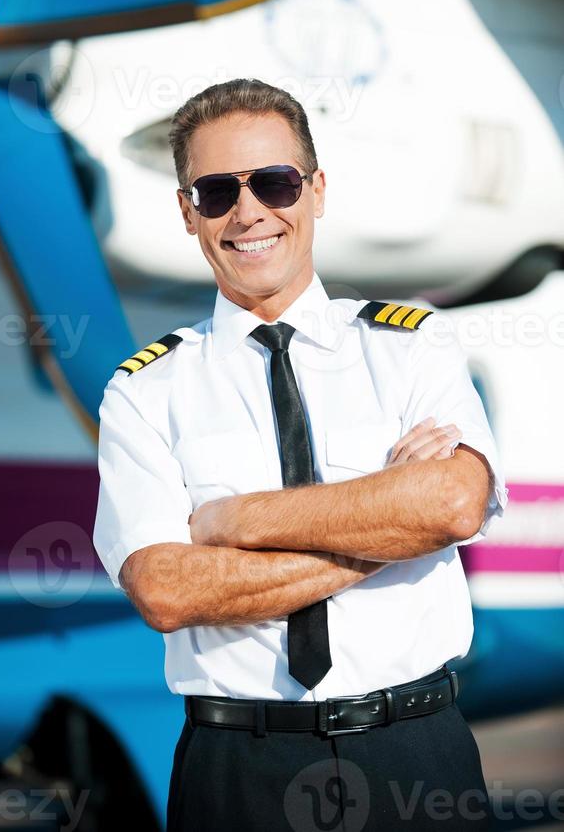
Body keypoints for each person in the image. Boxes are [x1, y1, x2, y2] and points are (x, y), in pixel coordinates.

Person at [93, 79, 507, 832]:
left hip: (414, 756)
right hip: (238, 773)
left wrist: (232, 520)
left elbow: (451, 503)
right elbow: (166, 589)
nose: (248, 211)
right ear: (188, 212)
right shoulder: (145, 390)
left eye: (275, 182)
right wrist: (384, 523)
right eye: (217, 192)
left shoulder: (413, 346)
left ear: (316, 190)